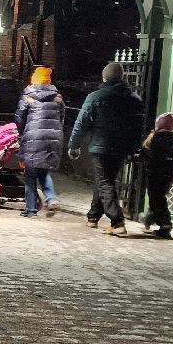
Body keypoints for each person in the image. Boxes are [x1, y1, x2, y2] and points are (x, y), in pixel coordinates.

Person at [67, 61, 146, 236]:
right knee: (106, 180)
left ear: (104, 77)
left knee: (104, 182)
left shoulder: (95, 97)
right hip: (121, 147)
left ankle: (117, 221)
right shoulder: (134, 100)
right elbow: (138, 126)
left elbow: (82, 123)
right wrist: (134, 147)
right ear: (122, 77)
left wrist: (74, 145)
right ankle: (93, 216)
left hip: (100, 146)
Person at [15, 65, 65, 218]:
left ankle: (31, 210)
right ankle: (51, 198)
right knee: (44, 170)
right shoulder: (57, 98)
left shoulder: (28, 96)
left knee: (30, 174)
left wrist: (22, 133)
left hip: (32, 138)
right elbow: (62, 117)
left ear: (34, 79)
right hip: (53, 139)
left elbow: (19, 118)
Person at [140, 113, 173, 239]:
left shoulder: (152, 138)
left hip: (153, 173)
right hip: (168, 175)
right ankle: (151, 219)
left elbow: (144, 155)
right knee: (159, 197)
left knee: (156, 198)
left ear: (158, 125)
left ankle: (164, 225)